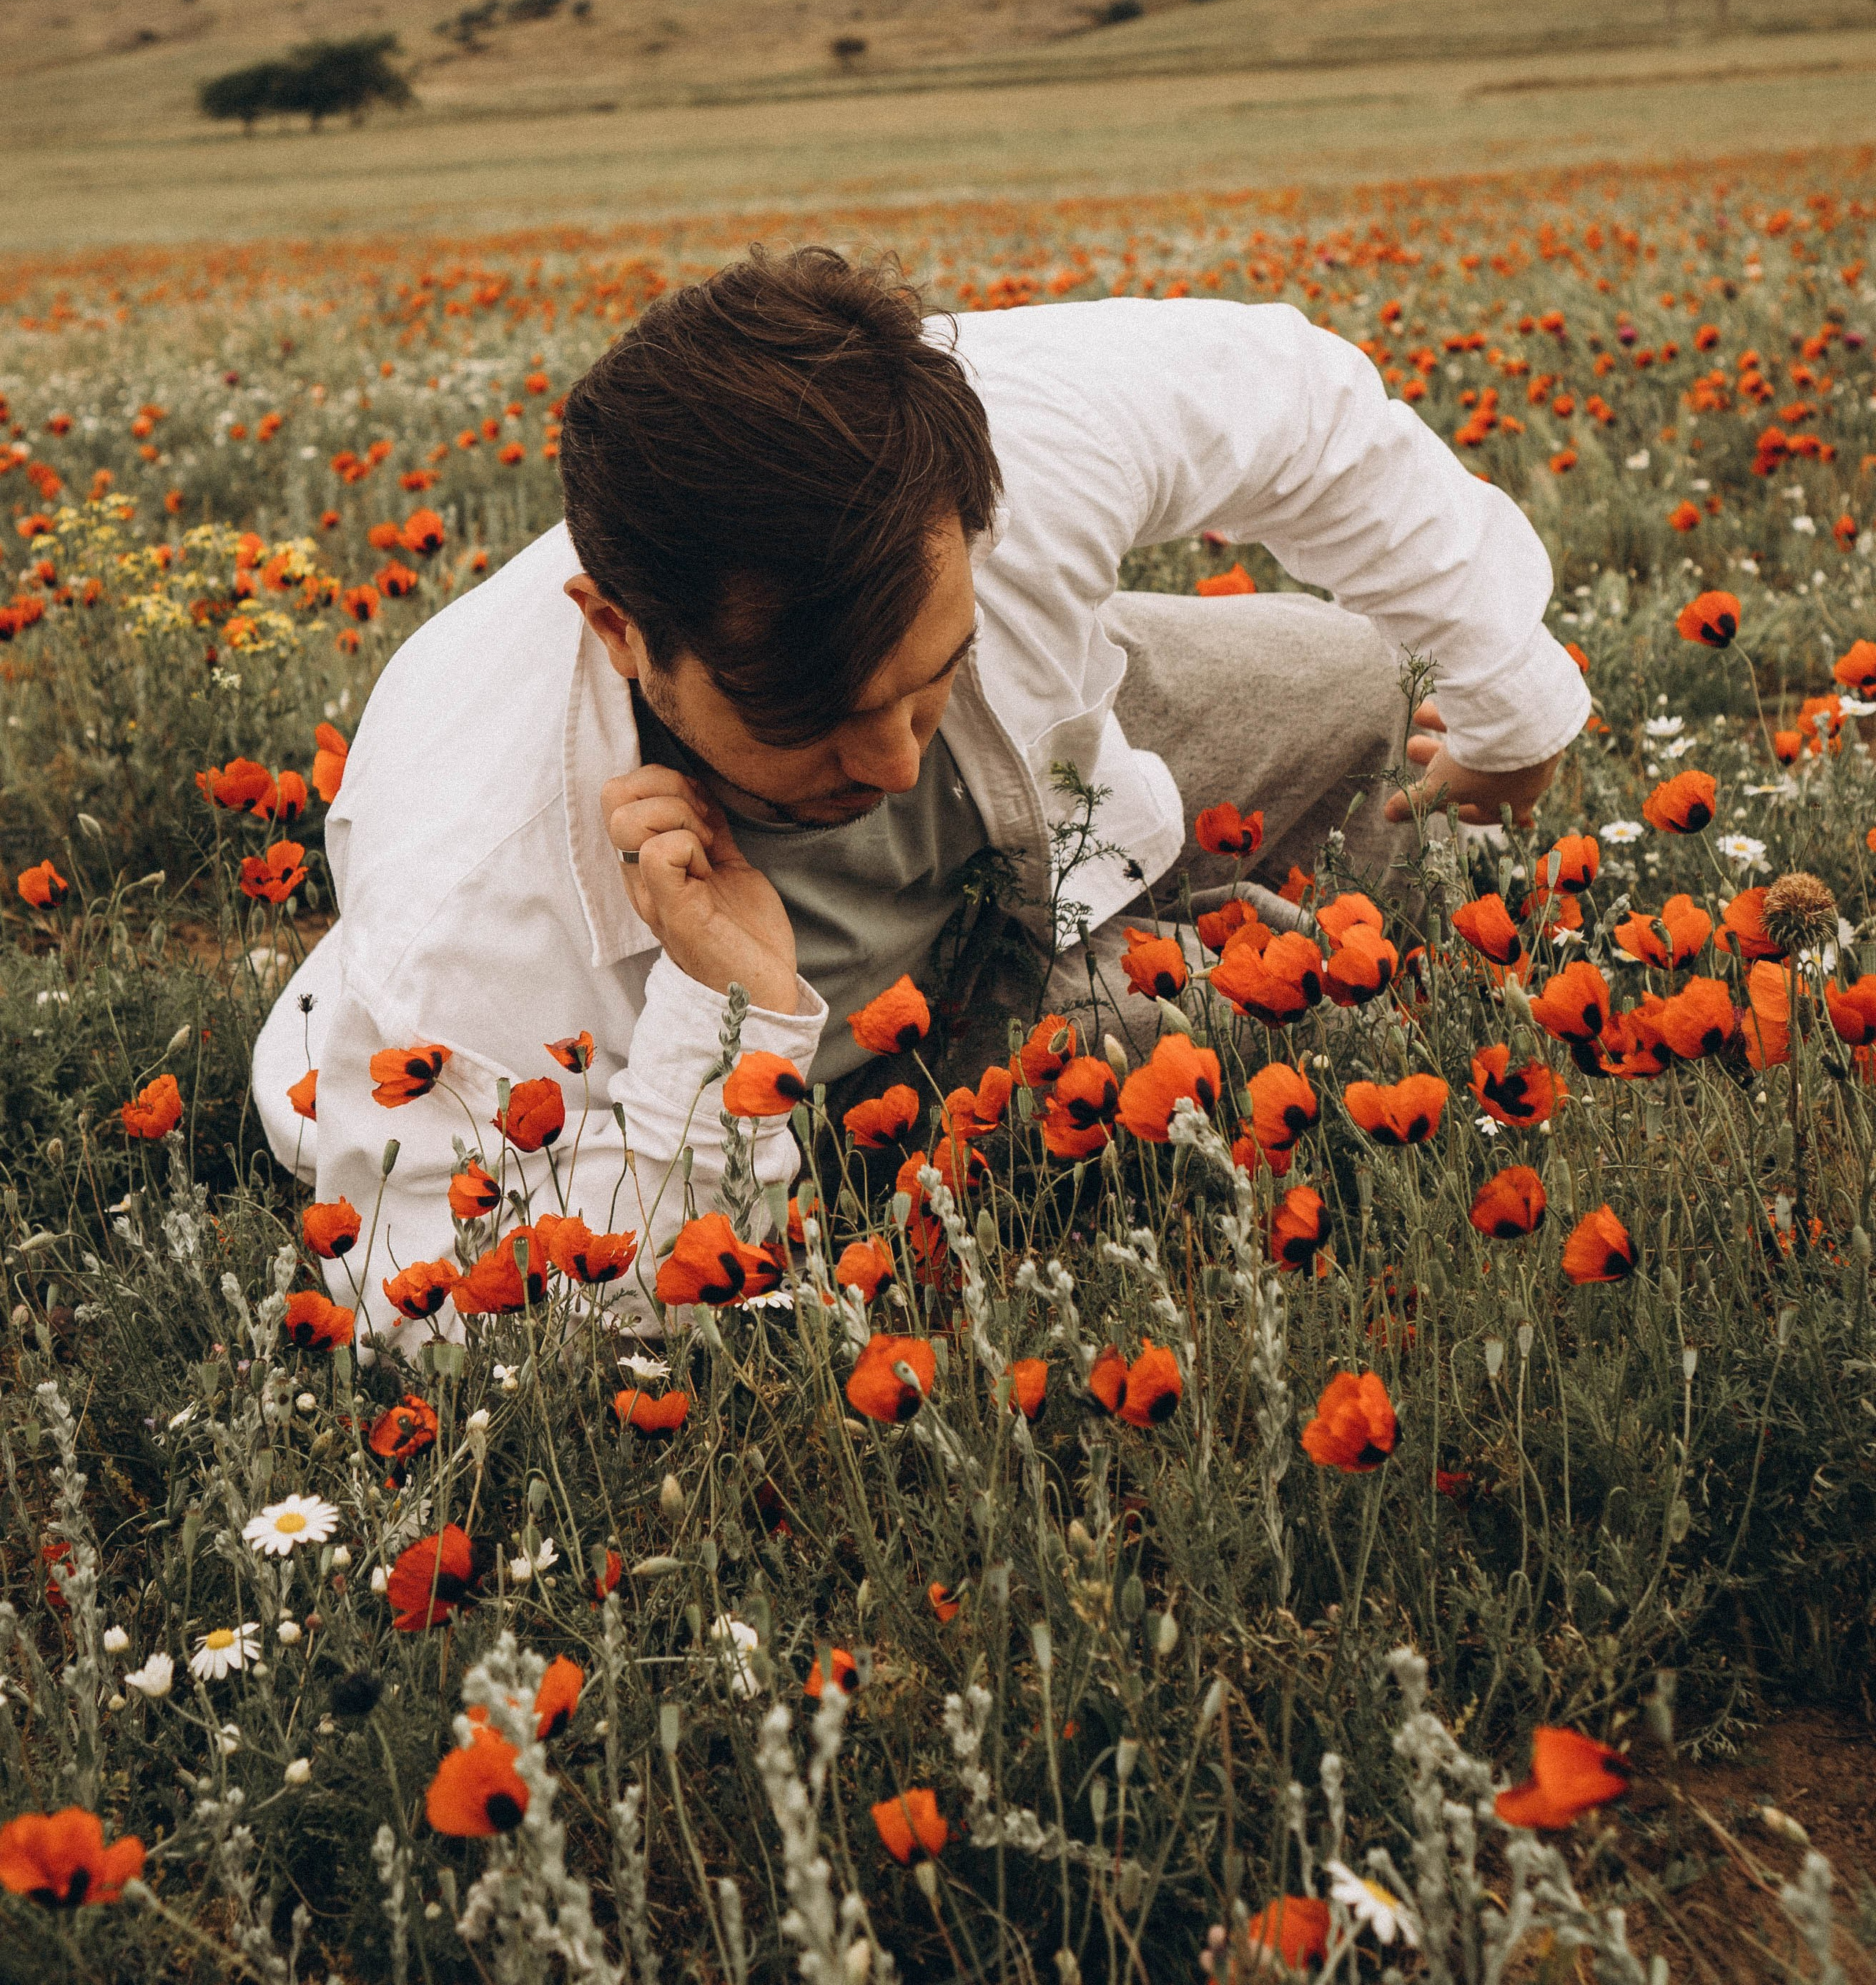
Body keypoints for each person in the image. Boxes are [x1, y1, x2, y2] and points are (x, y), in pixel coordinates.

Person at [253, 248, 1586, 1338]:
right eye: (816, 718)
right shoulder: (473, 904)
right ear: (619, 632)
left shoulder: (1023, 433)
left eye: (926, 677)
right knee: (1197, 1062)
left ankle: (1225, 947)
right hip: (781, 1018)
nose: (892, 764)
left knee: (1361, 680)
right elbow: (457, 1313)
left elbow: (1307, 404)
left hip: (1043, 803)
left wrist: (1513, 700)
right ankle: (1140, 979)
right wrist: (733, 1013)